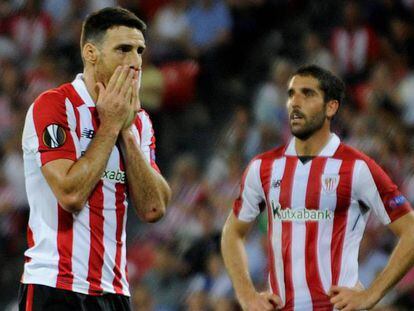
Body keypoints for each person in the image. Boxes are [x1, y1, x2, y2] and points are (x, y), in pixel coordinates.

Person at [221, 65, 414, 311]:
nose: (295, 102)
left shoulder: (356, 167)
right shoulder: (263, 167)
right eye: (291, 94)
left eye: (307, 94)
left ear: (331, 107)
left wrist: (372, 294)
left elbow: (410, 230)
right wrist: (247, 295)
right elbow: (231, 232)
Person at [19, 7, 171, 311]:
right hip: (55, 287)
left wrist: (127, 132)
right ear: (91, 53)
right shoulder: (54, 106)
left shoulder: (139, 122)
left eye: (140, 50)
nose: (135, 62)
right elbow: (71, 194)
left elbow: (154, 207)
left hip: (115, 291)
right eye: (123, 49)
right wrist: (111, 124)